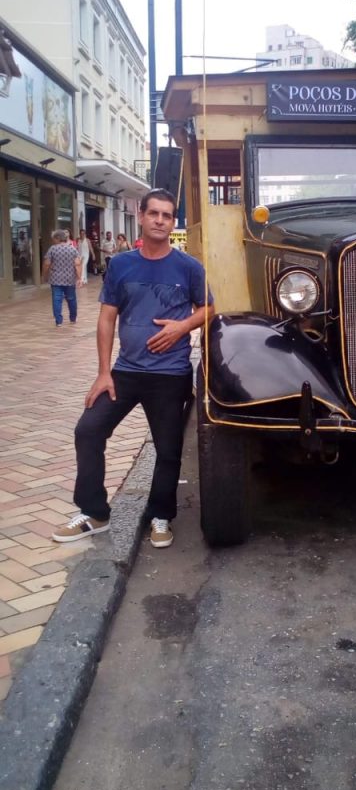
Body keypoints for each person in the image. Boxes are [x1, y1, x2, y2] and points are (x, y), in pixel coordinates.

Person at [52, 188, 214, 550]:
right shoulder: (122, 265)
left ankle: (160, 516)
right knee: (88, 430)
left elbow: (208, 309)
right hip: (125, 373)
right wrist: (102, 372)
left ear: (173, 222)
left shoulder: (188, 267)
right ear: (141, 216)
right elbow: (107, 318)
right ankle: (94, 513)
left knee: (168, 449)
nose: (160, 220)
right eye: (153, 213)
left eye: (167, 215)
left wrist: (181, 326)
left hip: (170, 376)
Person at [42, 229, 82, 326]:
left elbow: (47, 264)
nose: (53, 241)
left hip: (56, 279)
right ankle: (73, 318)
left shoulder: (52, 249)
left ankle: (58, 321)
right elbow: (77, 264)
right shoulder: (72, 249)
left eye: (54, 239)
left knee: (56, 299)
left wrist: (44, 275)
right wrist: (79, 278)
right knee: (71, 299)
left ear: (58, 238)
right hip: (70, 278)